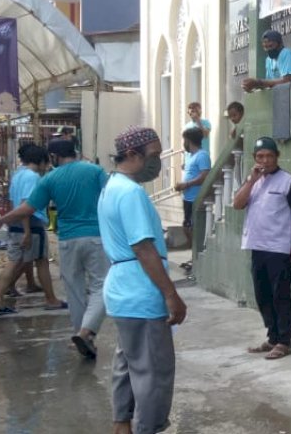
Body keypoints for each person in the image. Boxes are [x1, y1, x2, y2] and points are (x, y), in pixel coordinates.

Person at [99, 126, 187, 434]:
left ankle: (122, 424)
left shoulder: (112, 186)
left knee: (128, 364)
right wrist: (171, 294)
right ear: (133, 155)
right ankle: (148, 428)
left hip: (123, 292)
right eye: (154, 155)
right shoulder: (131, 192)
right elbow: (143, 247)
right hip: (141, 292)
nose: (158, 161)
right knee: (154, 373)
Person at [0, 139, 111, 360]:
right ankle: (87, 332)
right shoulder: (95, 171)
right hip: (96, 237)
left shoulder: (50, 178)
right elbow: (111, 197)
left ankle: (81, 333)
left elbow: (28, 207)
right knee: (100, 287)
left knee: (74, 289)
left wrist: (2, 220)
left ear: (55, 157)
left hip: (67, 240)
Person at [232, 137, 291, 360]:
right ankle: (272, 337)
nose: (265, 160)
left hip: (279, 248)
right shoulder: (252, 181)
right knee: (262, 294)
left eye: (269, 156)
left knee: (280, 295)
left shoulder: (289, 182)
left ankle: (284, 341)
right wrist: (251, 181)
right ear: (255, 158)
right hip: (257, 247)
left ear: (277, 157)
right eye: (260, 156)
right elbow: (237, 204)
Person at [0, 144, 66, 314]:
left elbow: (14, 202)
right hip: (31, 224)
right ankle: (51, 299)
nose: (47, 167)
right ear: (41, 161)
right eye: (46, 162)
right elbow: (26, 204)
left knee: (15, 261)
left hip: (16, 224)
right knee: (41, 261)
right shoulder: (32, 177)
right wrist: (28, 232)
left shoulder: (18, 175)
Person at [174, 128, 210, 268]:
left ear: (189, 140)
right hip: (188, 198)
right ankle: (193, 256)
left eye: (185, 140)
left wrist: (187, 184)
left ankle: (196, 257)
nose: (184, 143)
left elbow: (204, 175)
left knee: (192, 228)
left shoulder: (202, 155)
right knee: (187, 227)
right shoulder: (191, 156)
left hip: (196, 198)